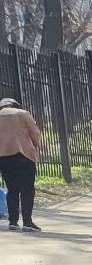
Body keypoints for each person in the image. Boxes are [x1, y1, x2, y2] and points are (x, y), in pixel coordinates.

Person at [0, 98, 44, 231]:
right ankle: (27, 222)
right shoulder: (22, 113)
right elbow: (35, 133)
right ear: (15, 105)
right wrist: (37, 145)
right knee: (27, 189)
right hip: (23, 154)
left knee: (12, 189)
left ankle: (13, 221)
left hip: (3, 156)